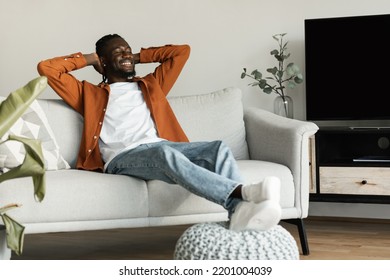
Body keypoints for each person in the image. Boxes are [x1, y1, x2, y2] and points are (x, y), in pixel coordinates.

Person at [37, 34, 281, 231]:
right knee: (164, 152)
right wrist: (90, 58)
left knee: (218, 148)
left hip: (161, 147)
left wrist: (138, 56)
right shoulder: (88, 94)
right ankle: (242, 193)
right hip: (122, 158)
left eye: (127, 51)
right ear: (103, 62)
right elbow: (47, 69)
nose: (126, 56)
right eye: (118, 53)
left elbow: (181, 51)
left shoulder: (152, 85)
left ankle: (237, 213)